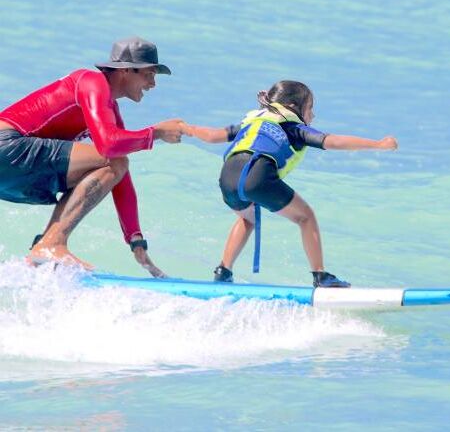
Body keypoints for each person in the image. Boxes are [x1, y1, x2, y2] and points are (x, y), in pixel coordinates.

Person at [184, 80, 398, 288]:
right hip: (257, 177)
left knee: (247, 218)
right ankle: (320, 275)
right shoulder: (293, 127)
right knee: (306, 217)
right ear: (295, 107)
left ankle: (223, 271)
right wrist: (378, 144)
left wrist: (187, 128)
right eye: (311, 108)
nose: (312, 115)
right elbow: (333, 141)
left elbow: (212, 136)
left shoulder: (250, 122)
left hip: (227, 178)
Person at [0, 36, 185, 277]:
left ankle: (43, 249)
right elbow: (111, 149)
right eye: (149, 74)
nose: (152, 84)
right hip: (8, 146)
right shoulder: (92, 82)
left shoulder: (108, 106)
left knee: (115, 163)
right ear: (126, 71)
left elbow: (119, 175)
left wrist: (135, 239)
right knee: (114, 159)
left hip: (11, 162)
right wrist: (156, 133)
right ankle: (51, 244)